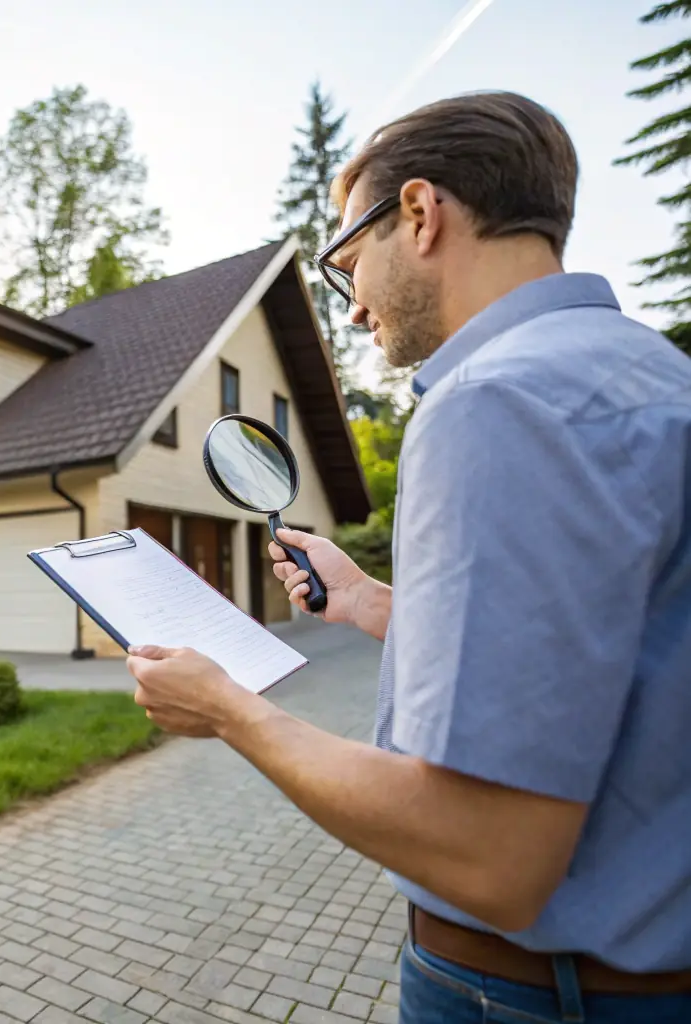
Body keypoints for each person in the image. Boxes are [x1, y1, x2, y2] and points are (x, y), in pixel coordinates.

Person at [126, 90, 691, 1023]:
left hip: (524, 996)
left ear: (421, 214)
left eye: (347, 263)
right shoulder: (650, 374)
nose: (350, 310)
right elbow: (619, 653)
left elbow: (489, 855)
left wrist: (229, 711)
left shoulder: (495, 402)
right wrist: (370, 606)